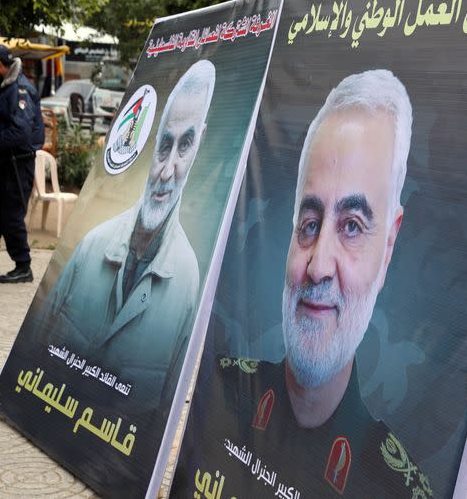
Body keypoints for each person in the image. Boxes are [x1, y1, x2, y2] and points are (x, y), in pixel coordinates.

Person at [177, 70, 431, 498]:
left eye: (352, 226)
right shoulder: (220, 393)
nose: (318, 267)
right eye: (310, 224)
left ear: (388, 247)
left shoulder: (397, 489)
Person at [36, 60, 215, 412]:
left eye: (185, 146)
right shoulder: (92, 245)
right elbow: (34, 351)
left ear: (200, 144)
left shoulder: (189, 282)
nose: (167, 171)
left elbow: (162, 410)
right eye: (164, 145)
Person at [0, 44, 44, 284]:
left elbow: (21, 132)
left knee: (12, 214)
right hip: (5, 160)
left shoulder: (19, 90)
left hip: (17, 161)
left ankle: (23, 266)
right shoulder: (4, 88)